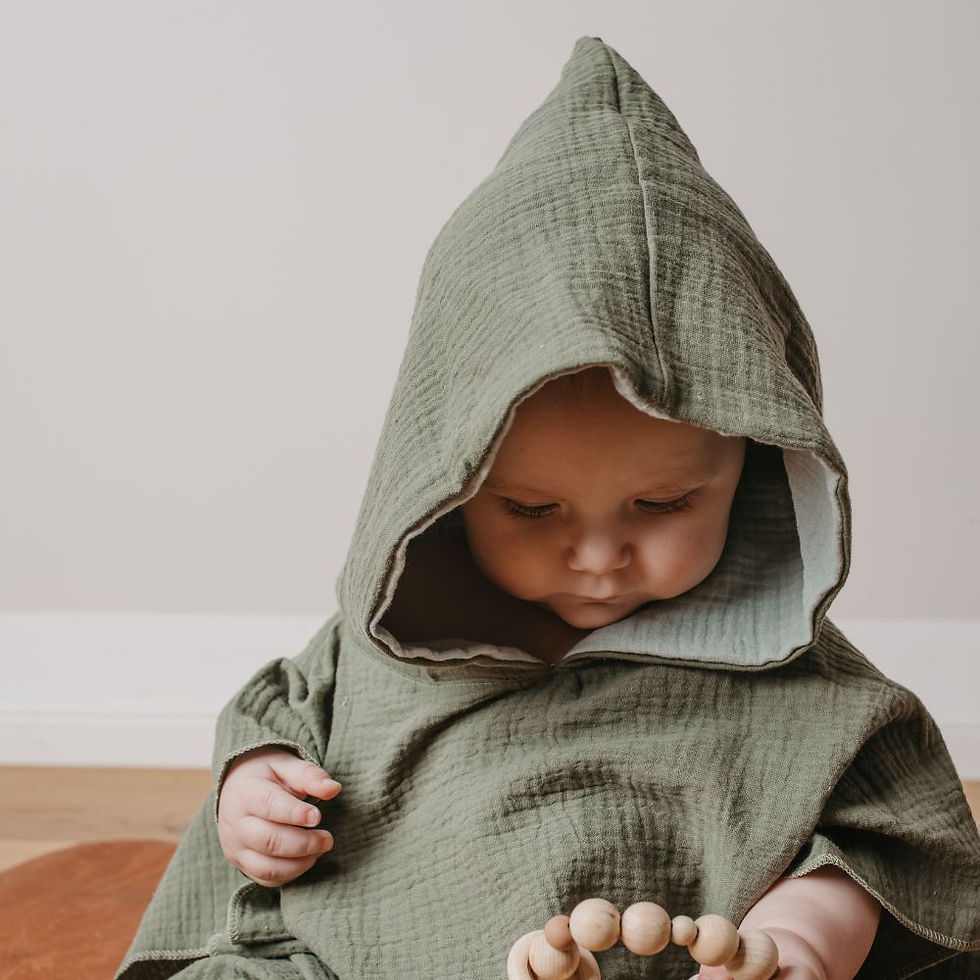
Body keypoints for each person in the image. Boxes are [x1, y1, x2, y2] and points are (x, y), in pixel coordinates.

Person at [116, 35, 980, 980]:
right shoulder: (383, 646)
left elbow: (888, 842)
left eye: (662, 502)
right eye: (530, 508)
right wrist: (256, 794)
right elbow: (275, 719)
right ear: (442, 486)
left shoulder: (804, 683)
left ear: (758, 466)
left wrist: (804, 942)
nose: (600, 554)